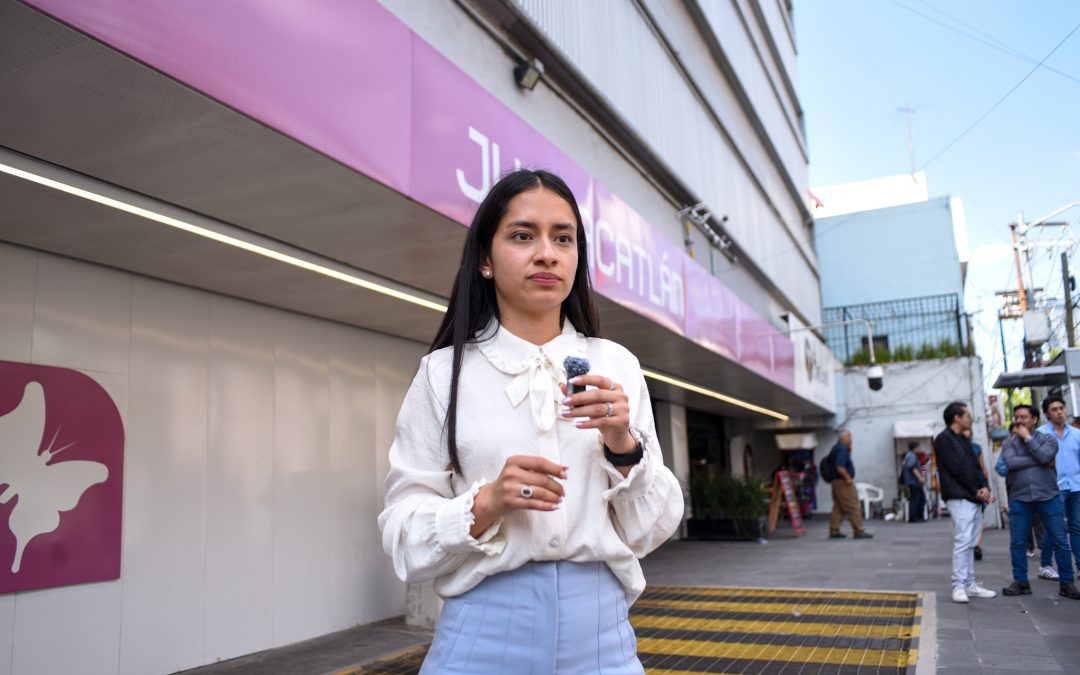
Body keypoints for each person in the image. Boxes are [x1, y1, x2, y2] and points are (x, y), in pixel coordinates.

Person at [378, 170, 684, 674]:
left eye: (563, 238)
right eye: (523, 236)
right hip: (481, 636)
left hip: (602, 640)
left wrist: (623, 446)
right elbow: (402, 534)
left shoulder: (617, 365)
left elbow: (648, 530)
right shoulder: (443, 374)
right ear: (484, 259)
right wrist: (486, 503)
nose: (547, 253)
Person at [1000, 404, 1080, 599]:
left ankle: (1067, 583)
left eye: (1024, 417)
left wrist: (1028, 439)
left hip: (1048, 496)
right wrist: (1039, 460)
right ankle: (1021, 581)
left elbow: (1046, 455)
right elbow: (1010, 463)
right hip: (1020, 497)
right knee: (1018, 542)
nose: (1019, 421)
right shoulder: (1008, 443)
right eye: (1017, 417)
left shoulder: (1048, 439)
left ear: (1034, 420)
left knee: (1060, 540)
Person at [934, 402, 997, 603]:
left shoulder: (964, 439)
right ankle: (959, 586)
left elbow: (976, 468)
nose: (971, 418)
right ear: (957, 418)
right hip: (959, 496)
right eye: (967, 415)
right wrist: (978, 491)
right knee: (963, 541)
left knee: (970, 542)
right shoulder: (943, 440)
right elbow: (957, 469)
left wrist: (985, 487)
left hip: (972, 496)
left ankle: (969, 584)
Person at [1037, 395, 1080, 582]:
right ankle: (1045, 565)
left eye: (1061, 408)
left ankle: (1079, 566)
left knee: (1077, 527)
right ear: (1047, 413)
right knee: (1054, 528)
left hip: (1076, 485)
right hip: (1053, 488)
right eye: (1054, 409)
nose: (1059, 412)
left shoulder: (1077, 434)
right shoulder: (1040, 434)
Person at [827, 429, 873, 539]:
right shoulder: (842, 449)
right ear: (844, 438)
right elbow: (839, 466)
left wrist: (849, 451)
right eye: (850, 437)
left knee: (838, 507)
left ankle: (834, 531)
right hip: (843, 481)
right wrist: (847, 478)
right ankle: (859, 531)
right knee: (853, 504)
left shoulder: (836, 448)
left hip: (835, 482)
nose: (851, 440)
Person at [962, 428, 989, 560]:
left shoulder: (976, 448)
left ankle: (976, 544)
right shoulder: (955, 448)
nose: (966, 433)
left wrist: (986, 487)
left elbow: (982, 468)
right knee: (965, 518)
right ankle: (968, 543)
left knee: (978, 516)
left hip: (977, 486)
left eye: (967, 431)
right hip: (962, 489)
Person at [901, 441, 927, 522]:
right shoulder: (911, 456)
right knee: (916, 499)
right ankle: (913, 517)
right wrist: (919, 477)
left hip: (913, 481)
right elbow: (912, 467)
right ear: (915, 448)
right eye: (918, 447)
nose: (919, 449)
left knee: (921, 498)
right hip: (914, 481)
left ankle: (919, 516)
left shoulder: (910, 455)